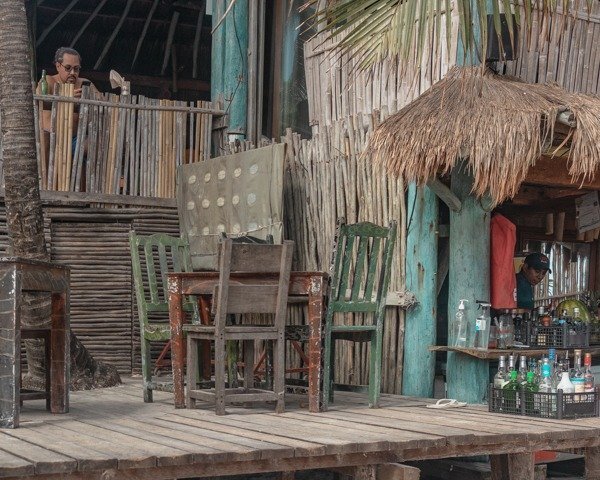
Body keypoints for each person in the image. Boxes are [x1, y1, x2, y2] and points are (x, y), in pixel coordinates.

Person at [37, 47, 98, 133]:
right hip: (52, 137)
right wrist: (67, 98)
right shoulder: (48, 81)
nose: (73, 72)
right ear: (58, 66)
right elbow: (38, 103)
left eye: (76, 69)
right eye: (68, 68)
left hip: (78, 138)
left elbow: (102, 102)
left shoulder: (84, 83)